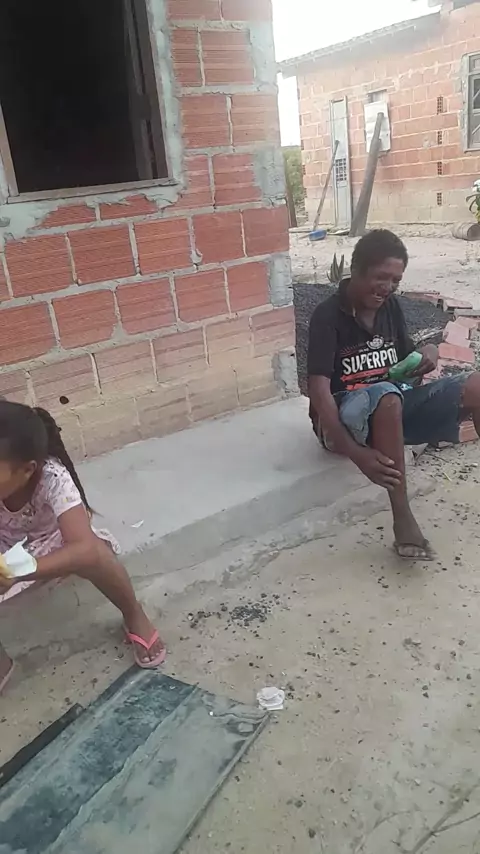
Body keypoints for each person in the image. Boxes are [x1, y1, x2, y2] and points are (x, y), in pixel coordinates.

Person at [307, 229, 480, 560]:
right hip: (344, 421)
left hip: (392, 406)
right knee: (386, 395)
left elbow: (405, 361)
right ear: (356, 270)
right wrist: (356, 453)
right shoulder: (327, 316)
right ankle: (403, 519)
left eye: (395, 280)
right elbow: (318, 390)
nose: (387, 287)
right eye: (380, 277)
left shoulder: (391, 308)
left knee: (475, 385)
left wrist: (428, 352)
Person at [0, 401, 165, 694]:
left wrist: (18, 571)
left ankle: (134, 613)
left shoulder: (52, 478)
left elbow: (83, 547)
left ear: (27, 470)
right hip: (6, 548)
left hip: (49, 543)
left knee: (95, 554)